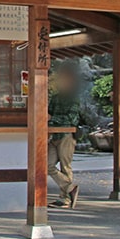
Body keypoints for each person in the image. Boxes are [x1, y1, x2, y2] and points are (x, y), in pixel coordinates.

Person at [47, 63, 81, 209]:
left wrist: (51, 120)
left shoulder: (74, 98)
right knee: (46, 165)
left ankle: (65, 199)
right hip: (54, 135)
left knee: (65, 167)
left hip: (67, 135)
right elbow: (48, 113)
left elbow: (72, 119)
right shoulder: (55, 97)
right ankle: (70, 188)